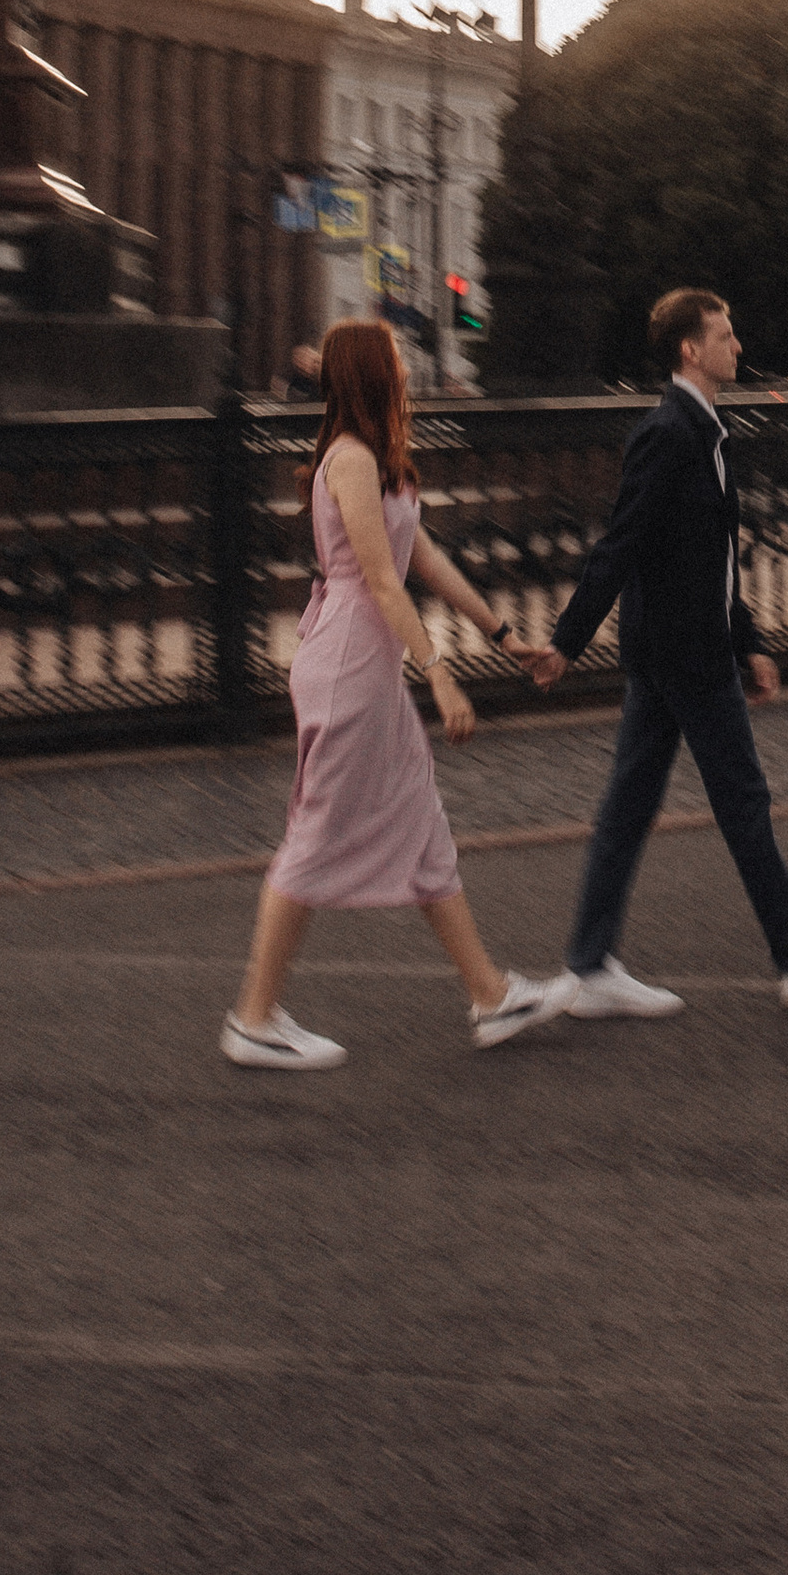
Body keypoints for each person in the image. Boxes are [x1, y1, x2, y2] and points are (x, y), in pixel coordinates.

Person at [528, 289, 788, 1013]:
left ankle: (591, 966)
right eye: (726, 334)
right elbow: (621, 544)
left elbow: (709, 558)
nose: (739, 346)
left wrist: (750, 640)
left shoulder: (703, 431)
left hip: (676, 649)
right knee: (742, 800)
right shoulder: (670, 433)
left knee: (629, 808)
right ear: (691, 349)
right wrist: (565, 643)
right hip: (685, 655)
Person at [223, 318, 567, 1070]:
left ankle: (489, 994)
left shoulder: (380, 460)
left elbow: (426, 559)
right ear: (371, 374)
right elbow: (381, 578)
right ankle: (252, 1018)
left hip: (365, 665)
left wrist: (505, 638)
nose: (406, 368)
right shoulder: (348, 460)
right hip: (348, 665)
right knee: (314, 837)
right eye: (396, 360)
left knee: (421, 824)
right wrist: (439, 673)